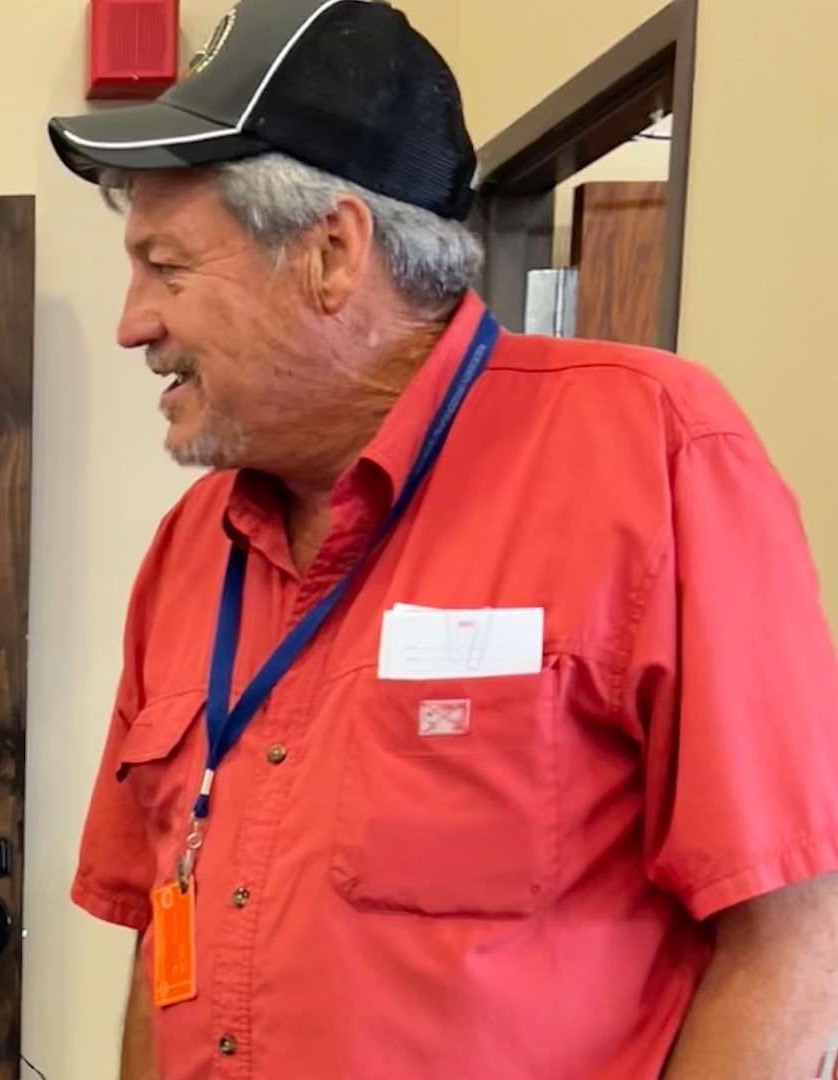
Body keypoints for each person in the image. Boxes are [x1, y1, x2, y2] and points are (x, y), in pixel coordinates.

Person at [47, 1, 838, 1077]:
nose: (133, 322)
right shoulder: (193, 547)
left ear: (331, 252)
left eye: (167, 267)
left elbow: (794, 936)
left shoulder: (651, 456)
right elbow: (159, 925)